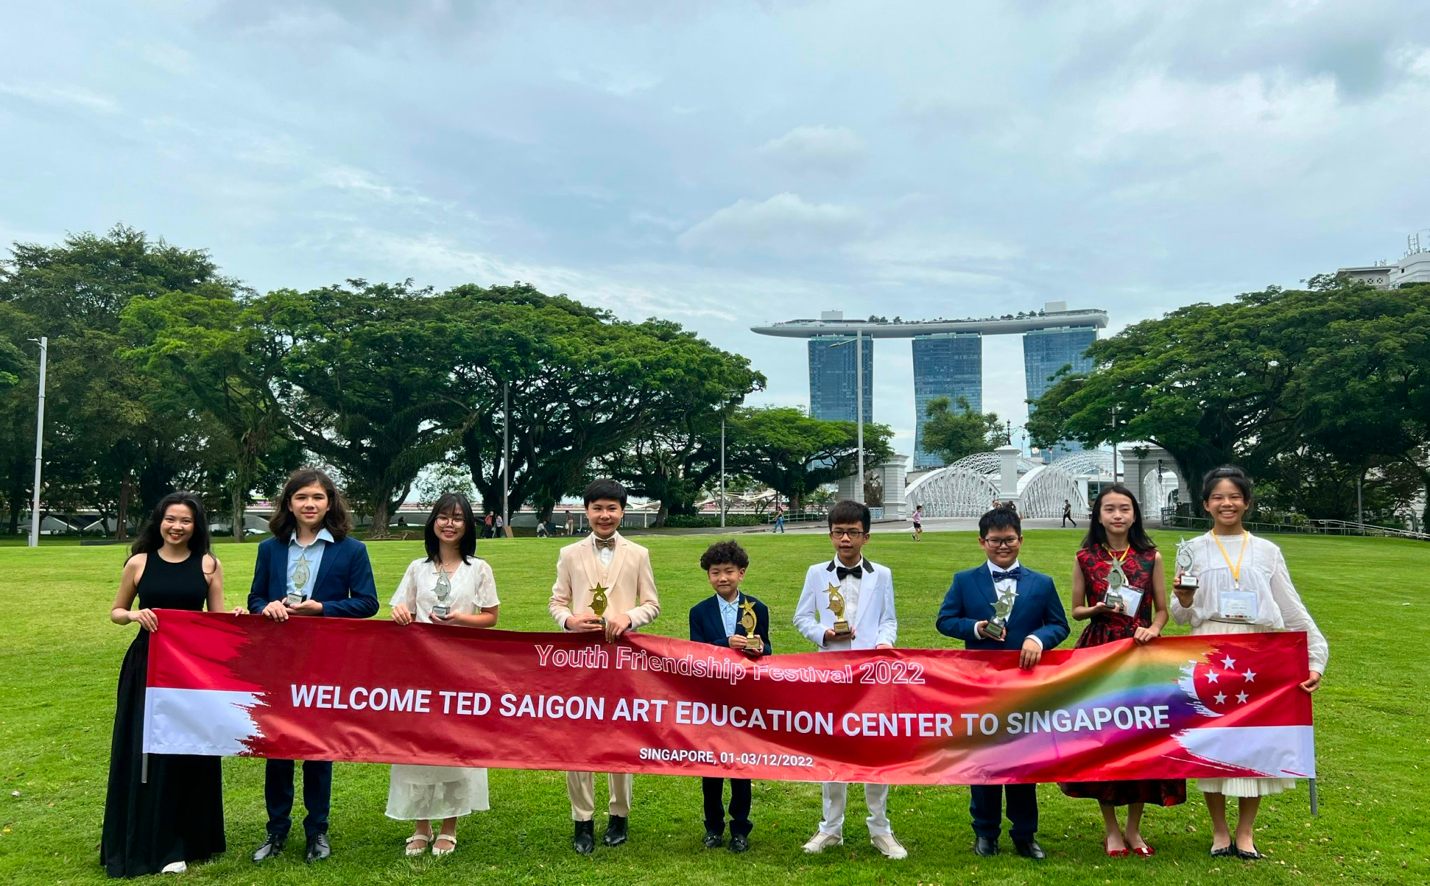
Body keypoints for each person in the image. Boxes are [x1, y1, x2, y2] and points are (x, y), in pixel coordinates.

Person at [1171, 465, 1327, 861]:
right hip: (1208, 651)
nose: (1227, 503)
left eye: (1234, 496)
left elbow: (1290, 608)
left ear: (1246, 502)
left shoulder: (1266, 551)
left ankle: (1245, 832)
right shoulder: (1192, 550)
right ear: (1206, 504)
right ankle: (1219, 831)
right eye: (1219, 497)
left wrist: (1314, 658)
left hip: (1257, 655)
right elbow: (1180, 613)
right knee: (1213, 741)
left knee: (1253, 745)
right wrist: (1186, 600)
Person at [240, 468, 379, 864]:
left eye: (318, 497)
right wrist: (263, 606)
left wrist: (323, 608)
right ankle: (275, 831)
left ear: (330, 503)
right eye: (302, 497)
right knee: (277, 747)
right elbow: (254, 597)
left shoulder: (351, 550)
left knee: (318, 749)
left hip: (324, 662)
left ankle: (317, 831)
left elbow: (368, 603)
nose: (310, 504)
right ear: (289, 503)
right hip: (278, 661)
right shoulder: (270, 549)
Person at [102, 492, 226, 877]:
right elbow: (116, 612)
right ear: (159, 521)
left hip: (192, 670)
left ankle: (191, 838)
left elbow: (217, 621)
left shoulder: (209, 565)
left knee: (188, 750)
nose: (177, 527)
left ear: (196, 526)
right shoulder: (138, 563)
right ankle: (149, 837)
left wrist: (237, 618)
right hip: (147, 667)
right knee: (146, 749)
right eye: (170, 519)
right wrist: (135, 614)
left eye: (186, 521)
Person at [936, 507, 1069, 861]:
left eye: (1009, 539)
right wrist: (975, 628)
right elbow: (945, 620)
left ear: (1021, 540)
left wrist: (1038, 639)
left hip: (1025, 685)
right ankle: (986, 831)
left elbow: (1060, 625)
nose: (1003, 546)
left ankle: (1025, 833)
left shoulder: (1041, 583)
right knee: (984, 758)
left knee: (1024, 759)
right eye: (995, 541)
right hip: (979, 685)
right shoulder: (965, 580)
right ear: (982, 543)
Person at [1058, 485, 1181, 856]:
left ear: (1134, 515)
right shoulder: (1084, 556)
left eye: (1124, 509)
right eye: (1109, 509)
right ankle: (1111, 829)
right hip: (1099, 651)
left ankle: (1134, 829)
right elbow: (1076, 609)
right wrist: (1095, 610)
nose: (1117, 515)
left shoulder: (1150, 557)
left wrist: (1154, 628)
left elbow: (1162, 609)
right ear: (1098, 515)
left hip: (1140, 651)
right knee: (1104, 738)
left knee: (1139, 738)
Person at [548, 479, 661, 854]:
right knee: (577, 739)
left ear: (623, 512)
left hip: (623, 662)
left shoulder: (639, 553)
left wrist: (629, 617)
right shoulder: (568, 553)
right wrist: (568, 621)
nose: (605, 515)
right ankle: (582, 820)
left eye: (612, 508)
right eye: (598, 508)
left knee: (621, 738)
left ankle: (619, 815)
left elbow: (652, 604)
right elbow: (557, 603)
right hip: (578, 662)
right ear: (586, 511)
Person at [387, 493, 500, 857]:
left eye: (457, 519)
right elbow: (400, 604)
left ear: (468, 525)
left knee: (454, 745)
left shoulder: (478, 569)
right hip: (419, 669)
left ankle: (449, 826)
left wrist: (460, 619)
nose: (449, 524)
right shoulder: (417, 567)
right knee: (417, 746)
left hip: (460, 668)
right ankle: (421, 827)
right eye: (442, 517)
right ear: (432, 522)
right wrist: (401, 613)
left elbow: (491, 616)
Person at [793, 500, 906, 860]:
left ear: (866, 536)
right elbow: (801, 618)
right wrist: (824, 634)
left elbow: (888, 618)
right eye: (839, 532)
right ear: (830, 535)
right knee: (833, 749)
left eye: (853, 532)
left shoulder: (883, 574)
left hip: (873, 674)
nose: (845, 539)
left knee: (875, 750)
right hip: (831, 673)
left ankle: (880, 829)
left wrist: (884, 643)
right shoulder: (815, 573)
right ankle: (830, 828)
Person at [688, 541, 770, 853]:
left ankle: (740, 828)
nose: (723, 578)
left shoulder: (756, 608)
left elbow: (767, 649)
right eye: (716, 573)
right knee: (711, 767)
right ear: (708, 576)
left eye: (729, 572)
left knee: (741, 767)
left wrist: (760, 649)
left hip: (745, 699)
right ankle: (713, 826)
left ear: (742, 573)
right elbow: (696, 652)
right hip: (711, 698)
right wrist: (727, 643)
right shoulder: (699, 612)